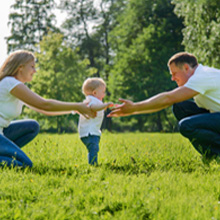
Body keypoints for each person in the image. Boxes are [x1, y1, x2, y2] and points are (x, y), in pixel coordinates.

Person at [108, 52, 220, 160]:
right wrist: (132, 111)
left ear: (186, 68)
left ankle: (216, 155)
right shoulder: (201, 75)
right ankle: (209, 154)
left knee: (186, 125)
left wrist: (135, 106)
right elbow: (166, 102)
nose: (172, 78)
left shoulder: (202, 76)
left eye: (174, 73)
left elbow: (168, 98)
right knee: (180, 106)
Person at [0, 50, 95, 168]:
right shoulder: (10, 82)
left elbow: (44, 110)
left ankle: (6, 154)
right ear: (20, 67)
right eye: (32, 67)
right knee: (25, 165)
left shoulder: (16, 86)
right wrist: (76, 105)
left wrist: (74, 110)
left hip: (2, 132)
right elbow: (45, 104)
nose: (35, 71)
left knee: (32, 126)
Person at [78, 77, 113, 165]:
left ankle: (93, 162)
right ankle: (93, 164)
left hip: (89, 132)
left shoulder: (93, 100)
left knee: (94, 148)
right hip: (90, 133)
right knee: (93, 148)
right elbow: (93, 107)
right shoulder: (91, 100)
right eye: (103, 92)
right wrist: (105, 105)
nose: (104, 95)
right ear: (94, 93)